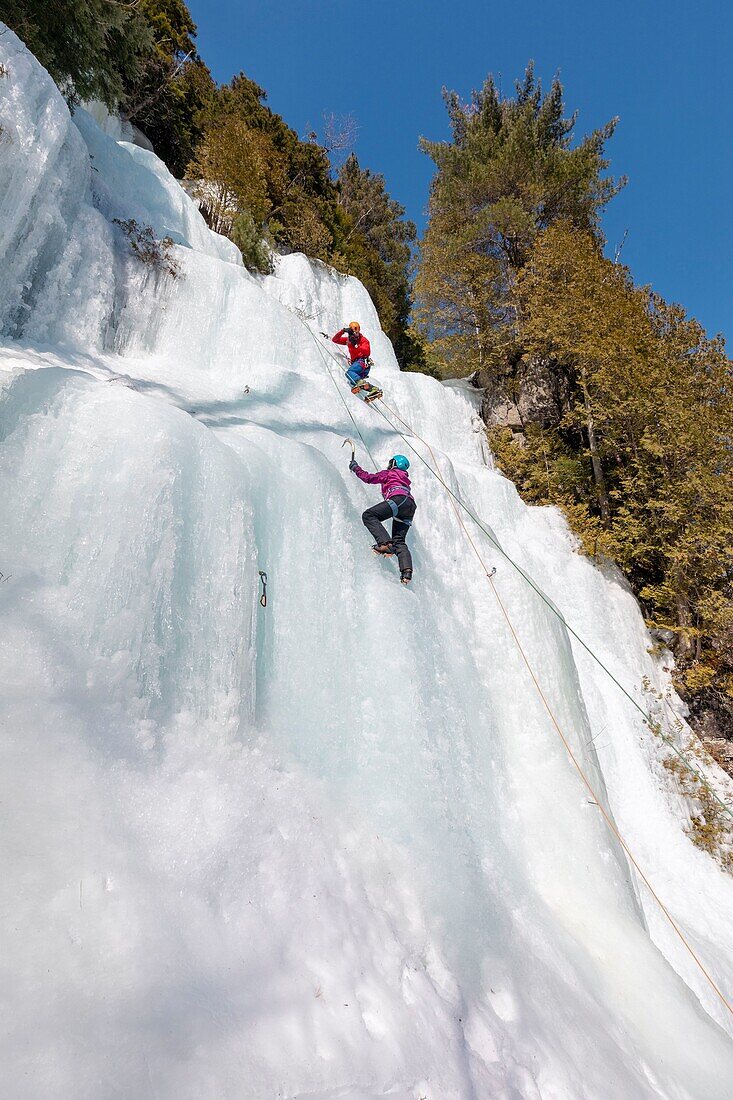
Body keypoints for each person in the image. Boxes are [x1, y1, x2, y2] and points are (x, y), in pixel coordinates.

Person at [349, 453, 416, 584]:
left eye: (391, 463)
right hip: (410, 506)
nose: (389, 465)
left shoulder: (390, 473)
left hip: (398, 500)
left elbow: (368, 478)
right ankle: (406, 572)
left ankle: (385, 544)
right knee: (399, 541)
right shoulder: (404, 479)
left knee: (369, 515)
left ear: (395, 464)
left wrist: (355, 467)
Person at [332, 321, 372, 392]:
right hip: (359, 365)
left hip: (362, 362)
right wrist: (342, 331)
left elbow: (367, 352)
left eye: (357, 332)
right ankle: (373, 389)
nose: (356, 335)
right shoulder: (349, 340)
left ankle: (361, 383)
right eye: (354, 333)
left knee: (349, 373)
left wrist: (357, 345)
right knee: (353, 381)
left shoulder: (363, 340)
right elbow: (335, 340)